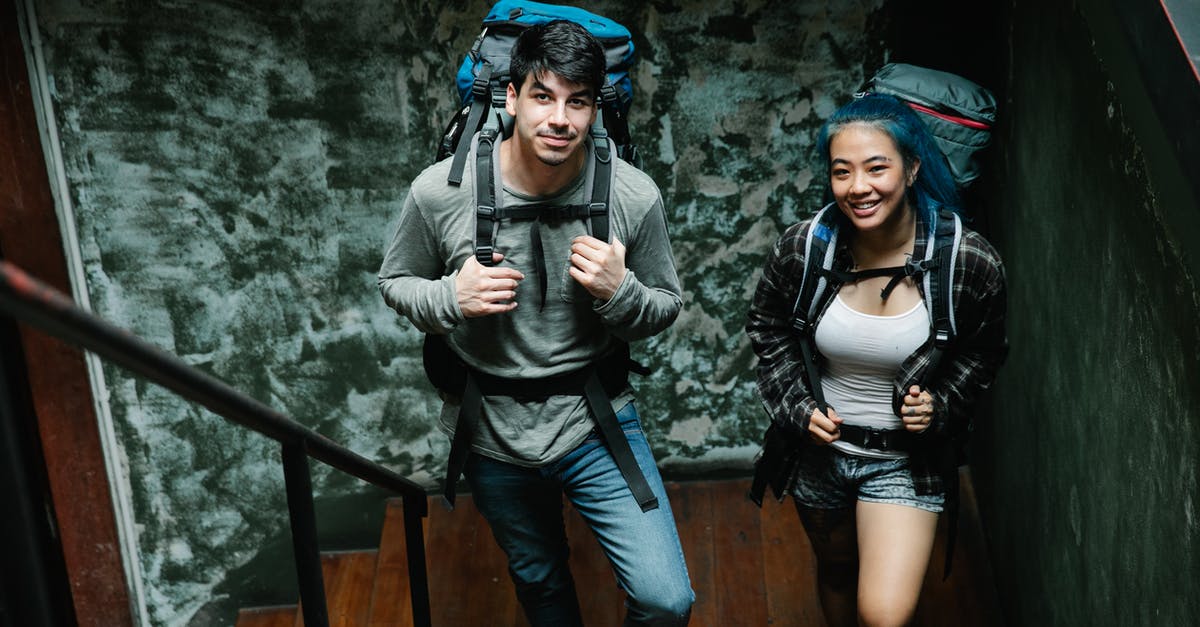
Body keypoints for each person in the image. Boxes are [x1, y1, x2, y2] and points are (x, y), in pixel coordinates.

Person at [378, 20, 693, 627]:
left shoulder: (632, 196)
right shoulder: (443, 193)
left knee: (665, 601)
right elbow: (394, 283)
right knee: (540, 582)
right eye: (543, 96)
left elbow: (666, 305)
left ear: (595, 108)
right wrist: (451, 298)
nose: (560, 119)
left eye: (578, 102)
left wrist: (619, 293)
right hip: (491, 428)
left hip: (594, 418)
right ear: (512, 98)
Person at [745, 93, 1007, 627]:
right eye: (842, 171)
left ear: (912, 169)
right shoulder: (804, 248)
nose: (858, 187)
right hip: (820, 455)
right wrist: (796, 407)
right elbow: (767, 329)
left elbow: (984, 352)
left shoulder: (970, 262)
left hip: (905, 461)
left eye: (876, 168)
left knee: (884, 614)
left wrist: (941, 404)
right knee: (837, 571)